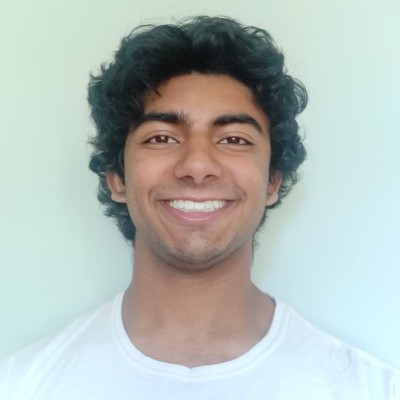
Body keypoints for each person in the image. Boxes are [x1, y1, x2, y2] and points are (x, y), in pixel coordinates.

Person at [0, 16, 398, 400]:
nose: (197, 165)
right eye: (161, 137)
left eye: (234, 139)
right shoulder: (20, 385)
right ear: (117, 177)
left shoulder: (371, 390)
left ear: (272, 181)